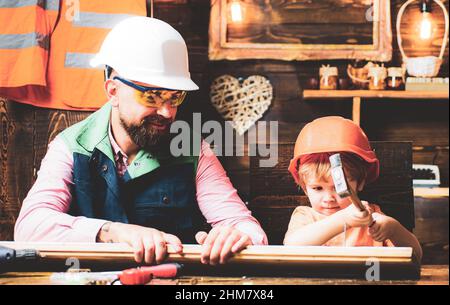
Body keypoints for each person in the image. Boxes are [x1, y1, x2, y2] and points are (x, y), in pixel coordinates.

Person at [14, 17, 267, 265]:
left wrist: (236, 235)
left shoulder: (192, 148)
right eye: (152, 96)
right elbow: (29, 227)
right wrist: (111, 232)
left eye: (175, 97)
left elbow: (249, 230)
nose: (167, 112)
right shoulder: (70, 146)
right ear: (113, 92)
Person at [284, 116, 422, 261]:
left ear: (360, 182)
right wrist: (343, 219)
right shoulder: (306, 216)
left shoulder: (372, 217)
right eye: (317, 188)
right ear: (305, 189)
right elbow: (291, 246)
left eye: (338, 187)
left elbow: (416, 255)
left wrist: (394, 230)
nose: (329, 198)